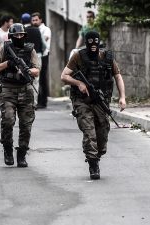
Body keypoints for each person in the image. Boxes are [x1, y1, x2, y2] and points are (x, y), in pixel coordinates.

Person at [61, 31, 126, 179]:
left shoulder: (107, 58)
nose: (93, 45)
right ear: (86, 42)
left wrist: (122, 97)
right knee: (89, 131)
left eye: (95, 42)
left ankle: (97, 156)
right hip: (82, 100)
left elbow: (118, 76)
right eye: (90, 42)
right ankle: (93, 163)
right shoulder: (78, 56)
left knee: (102, 133)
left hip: (100, 101)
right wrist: (79, 83)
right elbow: (64, 76)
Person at [0, 23, 40, 167]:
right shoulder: (4, 49)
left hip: (26, 89)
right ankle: (7, 150)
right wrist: (7, 64)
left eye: (21, 35)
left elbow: (37, 70)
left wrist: (26, 70)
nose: (19, 37)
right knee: (8, 120)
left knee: (26, 124)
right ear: (11, 37)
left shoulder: (30, 49)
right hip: (8, 90)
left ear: (24, 36)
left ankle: (22, 154)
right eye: (16, 35)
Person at [21, 12, 44, 108]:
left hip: (25, 56)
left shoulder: (22, 31)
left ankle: (24, 102)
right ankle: (34, 102)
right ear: (30, 20)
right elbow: (43, 44)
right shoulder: (37, 30)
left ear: (21, 21)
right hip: (38, 55)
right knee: (36, 79)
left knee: (24, 78)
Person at [31, 12, 51, 109]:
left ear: (41, 20)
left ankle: (43, 101)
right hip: (35, 55)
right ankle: (38, 100)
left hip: (43, 55)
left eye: (36, 20)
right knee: (36, 78)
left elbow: (44, 40)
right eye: (33, 20)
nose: (34, 22)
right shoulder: (34, 30)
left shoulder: (46, 29)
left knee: (42, 78)